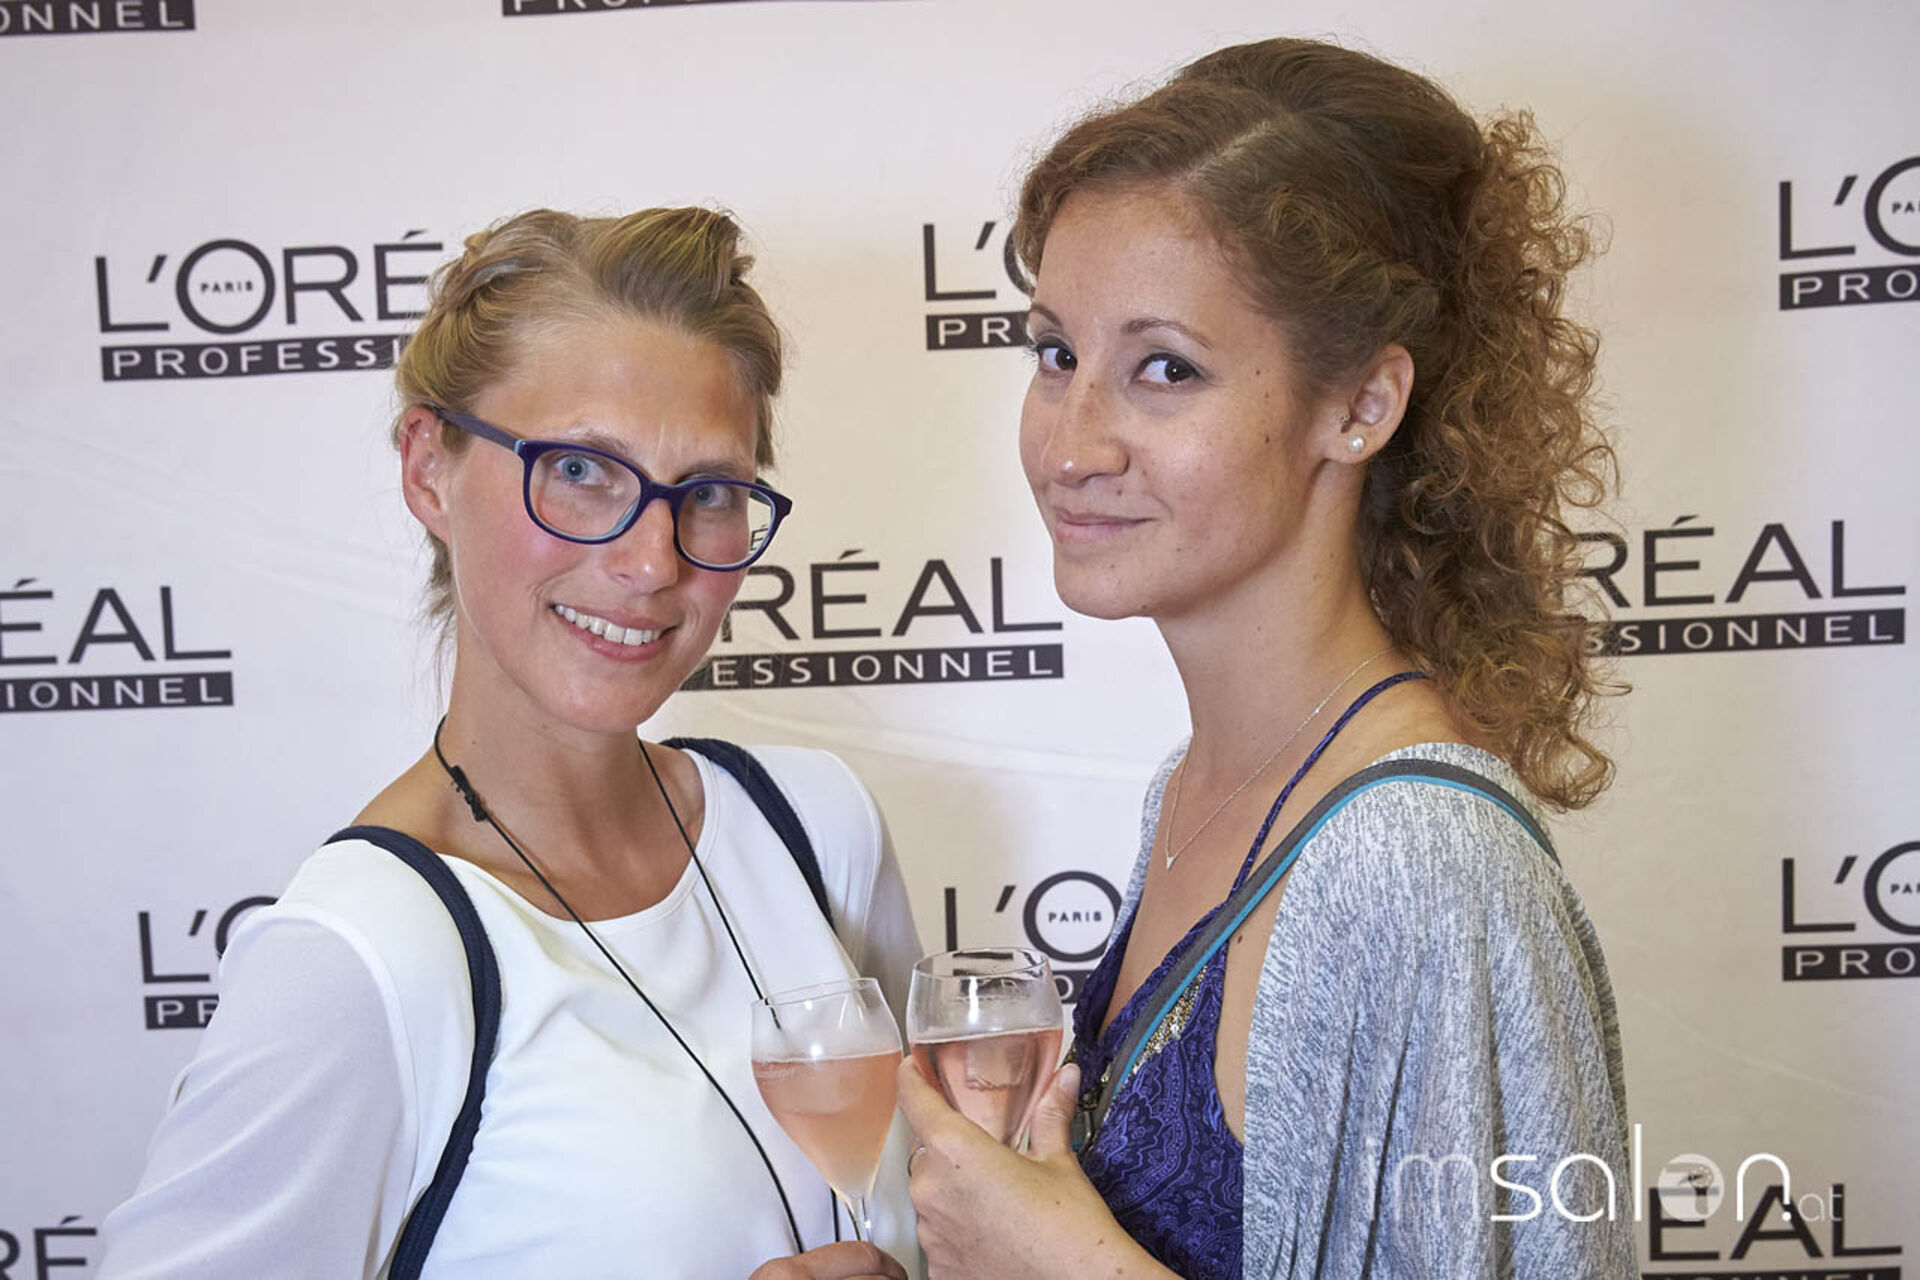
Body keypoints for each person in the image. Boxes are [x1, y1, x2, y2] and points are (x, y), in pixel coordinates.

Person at [896, 37, 1635, 1278]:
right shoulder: (1193, 786)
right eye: (1057, 354)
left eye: (1164, 369)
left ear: (1360, 406)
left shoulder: (1417, 859)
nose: (1072, 444)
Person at [99, 207, 920, 1280]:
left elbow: (938, 1210)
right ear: (428, 469)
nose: (652, 561)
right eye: (580, 470)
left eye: (709, 492)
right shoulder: (362, 952)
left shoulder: (814, 828)